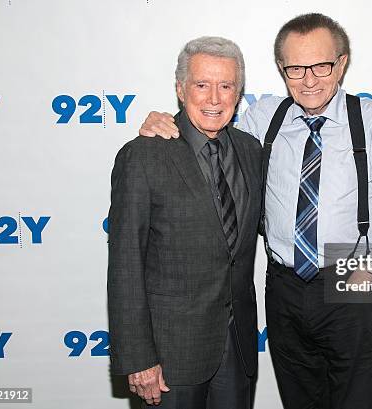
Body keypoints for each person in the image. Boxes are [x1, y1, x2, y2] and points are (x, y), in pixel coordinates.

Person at [139, 13, 372, 409]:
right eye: (296, 68)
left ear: (342, 64)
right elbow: (208, 135)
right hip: (282, 288)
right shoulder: (265, 118)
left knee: (357, 400)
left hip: (347, 283)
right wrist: (167, 124)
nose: (309, 79)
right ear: (281, 69)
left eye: (321, 66)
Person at [107, 36, 262, 409]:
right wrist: (139, 358)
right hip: (169, 356)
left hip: (237, 347)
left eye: (226, 86)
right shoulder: (142, 156)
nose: (214, 99)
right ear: (180, 89)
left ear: (238, 93)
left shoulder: (250, 150)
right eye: (201, 85)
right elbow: (125, 264)